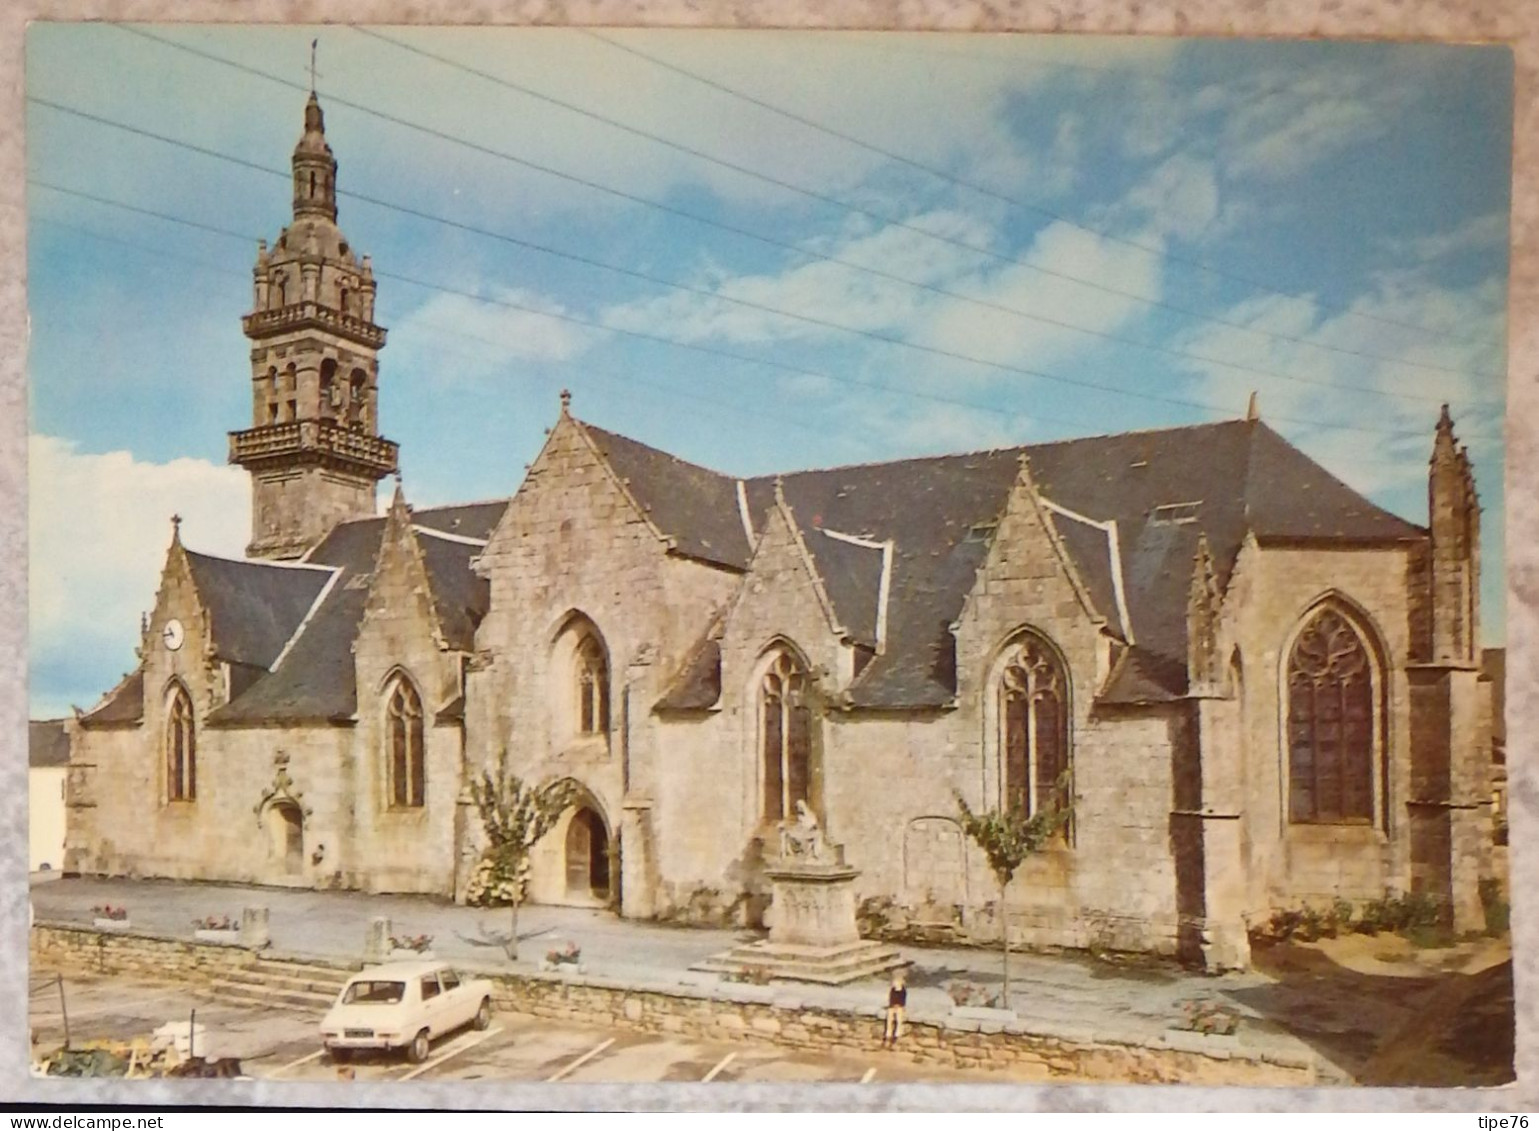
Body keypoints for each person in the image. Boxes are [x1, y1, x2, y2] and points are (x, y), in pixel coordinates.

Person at [882, 968, 907, 1049]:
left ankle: (897, 1034)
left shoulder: (903, 991)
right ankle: (888, 1035)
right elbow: (891, 999)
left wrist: (899, 1006)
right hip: (892, 1006)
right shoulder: (893, 990)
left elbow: (903, 1000)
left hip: (899, 1006)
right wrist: (892, 1005)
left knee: (899, 1018)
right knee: (889, 1017)